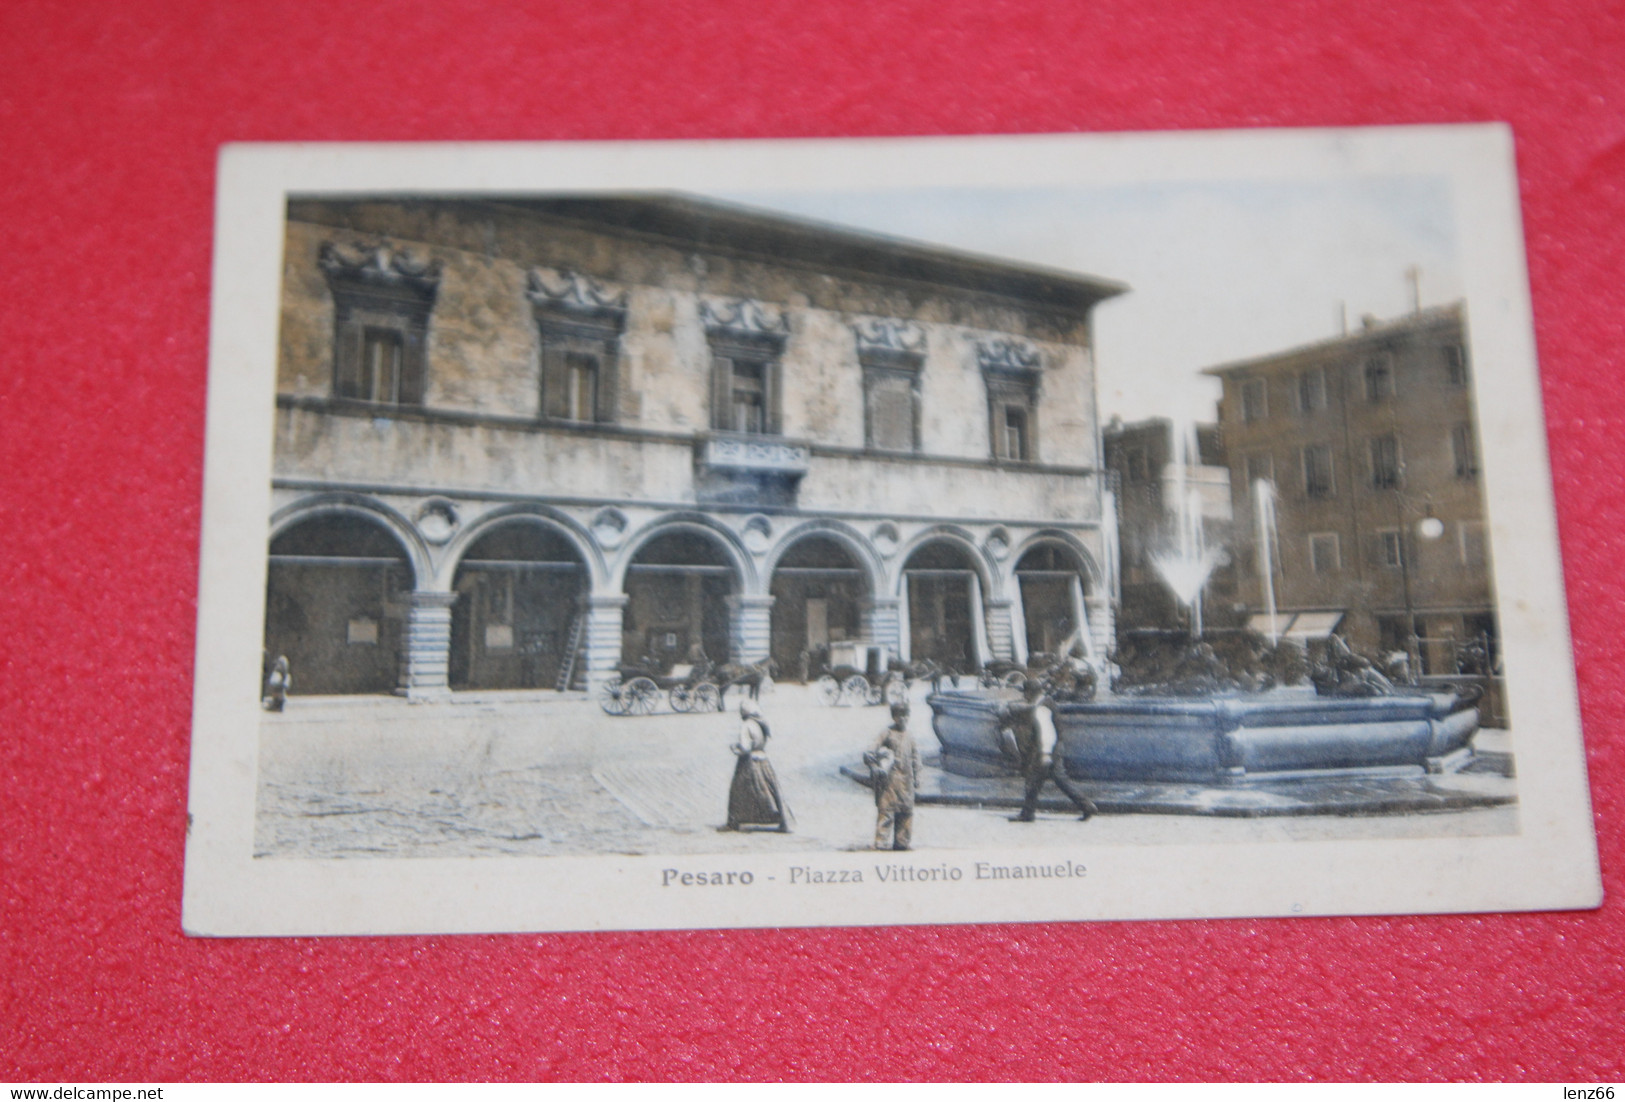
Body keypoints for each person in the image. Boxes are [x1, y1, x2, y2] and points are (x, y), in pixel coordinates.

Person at [1003, 678, 1097, 822]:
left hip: (1046, 749)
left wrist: (1045, 754)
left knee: (1034, 781)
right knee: (1056, 780)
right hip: (1055, 748)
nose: (1024, 697)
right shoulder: (1047, 701)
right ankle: (1086, 806)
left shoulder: (1041, 708)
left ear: (1030, 692)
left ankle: (1027, 814)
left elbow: (1046, 732)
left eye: (1026, 693)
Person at [722, 698, 792, 833]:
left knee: (738, 793)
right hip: (763, 761)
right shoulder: (762, 723)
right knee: (770, 790)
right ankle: (780, 819)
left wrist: (735, 748)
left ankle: (734, 822)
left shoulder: (747, 725)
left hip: (749, 762)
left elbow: (745, 747)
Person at [865, 700, 921, 851]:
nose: (902, 719)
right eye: (899, 716)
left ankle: (902, 842)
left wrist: (917, 777)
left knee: (906, 811)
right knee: (887, 811)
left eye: (905, 715)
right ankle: (881, 842)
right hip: (890, 781)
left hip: (906, 781)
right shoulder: (887, 733)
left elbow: (916, 758)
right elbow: (870, 751)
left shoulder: (910, 737)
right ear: (893, 717)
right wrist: (876, 766)